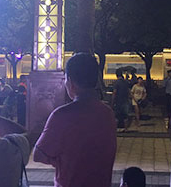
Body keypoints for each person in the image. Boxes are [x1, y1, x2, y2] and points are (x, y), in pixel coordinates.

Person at [33, 52, 117, 187]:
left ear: (70, 82)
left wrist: (60, 161)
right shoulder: (108, 114)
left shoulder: (62, 115)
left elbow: (38, 154)